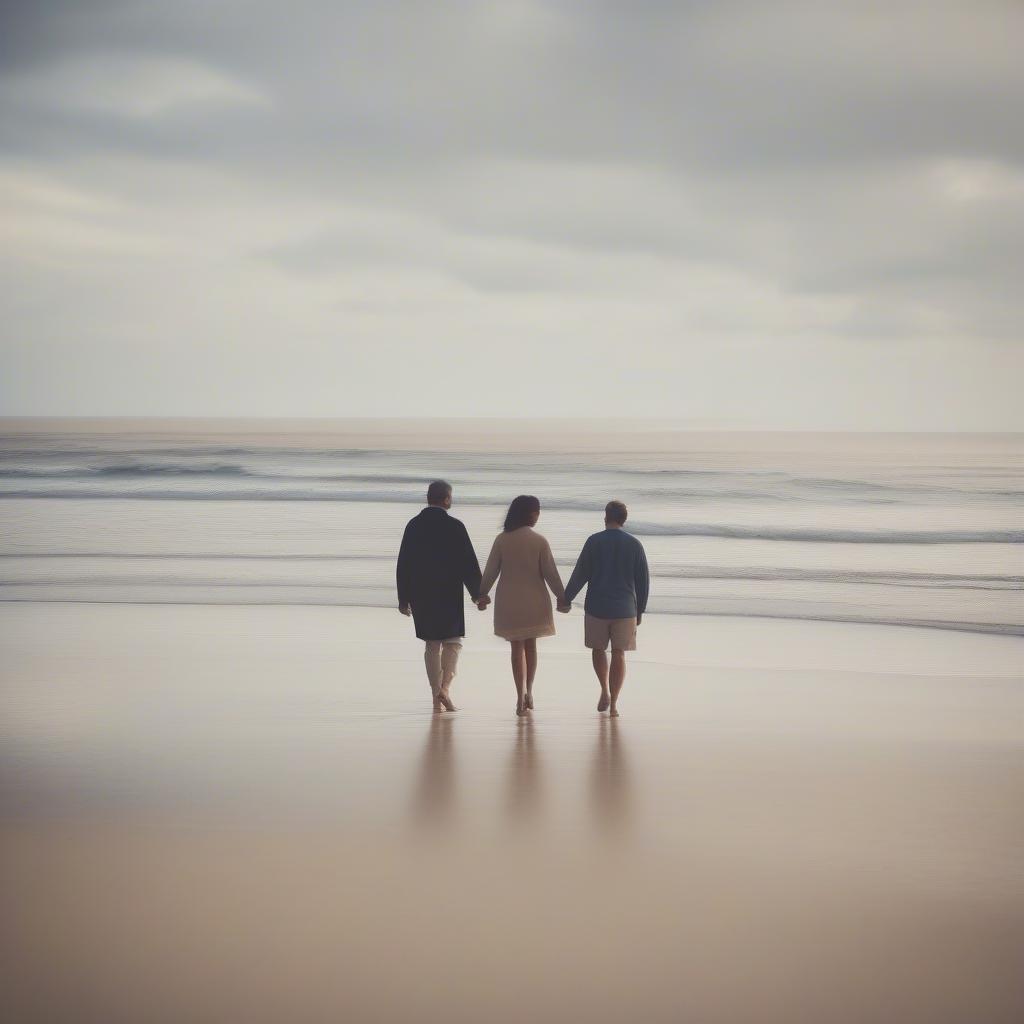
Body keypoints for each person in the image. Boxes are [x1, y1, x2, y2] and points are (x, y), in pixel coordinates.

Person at [397, 480, 486, 713]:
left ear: (428, 498)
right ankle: (445, 688)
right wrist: (478, 594)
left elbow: (403, 562)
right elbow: (468, 563)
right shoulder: (455, 526)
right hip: (448, 592)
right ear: (446, 499)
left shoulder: (413, 525)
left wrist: (403, 597)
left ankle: (436, 694)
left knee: (431, 644)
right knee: (453, 642)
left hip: (420, 592)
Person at [476, 495, 569, 717]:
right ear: (530, 514)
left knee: (516, 649)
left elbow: (490, 572)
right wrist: (562, 597)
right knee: (531, 647)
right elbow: (551, 574)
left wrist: (481, 595)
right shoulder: (539, 541)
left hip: (509, 601)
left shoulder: (502, 540)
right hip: (535, 600)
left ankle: (519, 696)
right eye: (537, 512)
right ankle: (529, 691)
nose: (538, 516)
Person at [563, 501, 649, 717]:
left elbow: (581, 573)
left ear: (606, 517)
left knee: (598, 649)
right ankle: (615, 703)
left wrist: (566, 598)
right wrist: (640, 611)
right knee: (619, 654)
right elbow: (643, 582)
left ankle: (604, 690)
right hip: (625, 609)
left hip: (597, 607)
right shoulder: (635, 544)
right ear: (624, 519)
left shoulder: (594, 541)